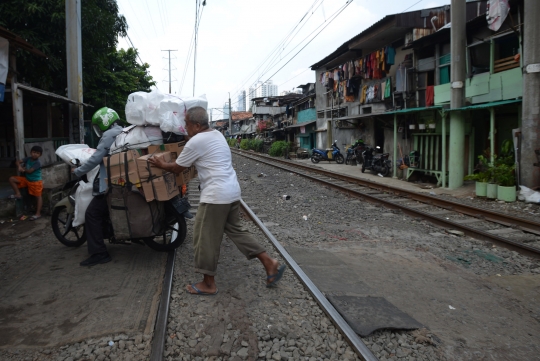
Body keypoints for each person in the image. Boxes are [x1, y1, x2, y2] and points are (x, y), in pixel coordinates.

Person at [148, 106, 286, 295]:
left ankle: (208, 284)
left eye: (187, 124)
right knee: (236, 230)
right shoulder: (216, 135)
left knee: (204, 238)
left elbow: (177, 168)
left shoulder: (196, 141)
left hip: (215, 196)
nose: (185, 128)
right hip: (232, 192)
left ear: (197, 125)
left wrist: (160, 164)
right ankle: (269, 262)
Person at [74, 107, 125, 267]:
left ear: (105, 121)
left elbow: (97, 158)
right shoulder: (122, 131)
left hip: (112, 183)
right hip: (122, 180)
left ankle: (99, 253)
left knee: (92, 214)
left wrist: (78, 171)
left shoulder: (109, 134)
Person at [8, 145, 44, 220]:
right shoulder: (28, 158)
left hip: (36, 182)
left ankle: (38, 214)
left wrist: (23, 170)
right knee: (12, 179)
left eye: (37, 153)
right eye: (34, 152)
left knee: (38, 197)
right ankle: (18, 194)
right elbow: (17, 162)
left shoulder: (37, 162)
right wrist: (19, 167)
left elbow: (30, 171)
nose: (35, 154)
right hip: (27, 180)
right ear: (31, 152)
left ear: (40, 155)